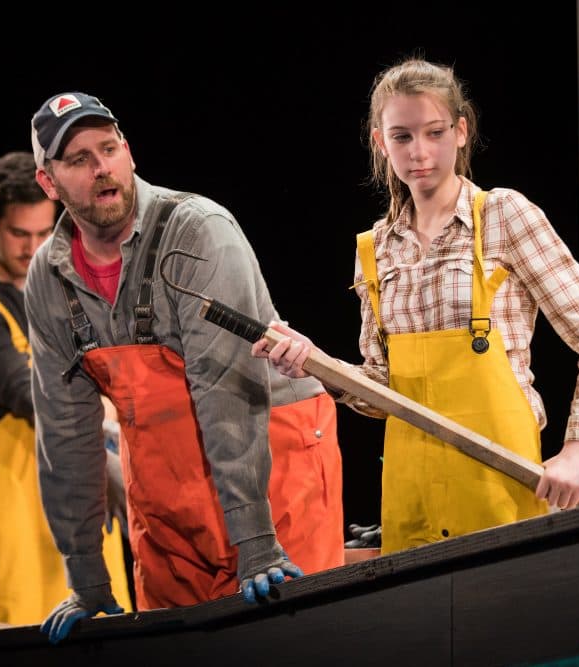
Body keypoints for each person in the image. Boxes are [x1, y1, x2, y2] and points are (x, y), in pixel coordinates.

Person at [254, 58, 579, 555]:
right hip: (411, 491)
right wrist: (319, 366)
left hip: (499, 485)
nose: (420, 152)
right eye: (402, 136)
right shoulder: (375, 249)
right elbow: (383, 389)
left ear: (460, 131)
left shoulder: (503, 217)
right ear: (379, 142)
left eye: (434, 133)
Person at [25, 92, 344, 643]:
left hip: (272, 476)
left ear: (129, 153)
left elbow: (226, 392)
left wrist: (256, 544)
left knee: (290, 647)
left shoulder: (197, 232)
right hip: (168, 499)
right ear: (48, 184)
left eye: (108, 149)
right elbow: (65, 430)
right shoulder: (49, 278)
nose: (101, 168)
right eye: (78, 159)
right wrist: (87, 575)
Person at [0, 151, 132, 624]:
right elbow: (33, 394)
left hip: (84, 489)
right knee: (25, 638)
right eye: (19, 235)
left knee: (105, 636)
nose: (33, 248)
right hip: (18, 511)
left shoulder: (56, 289)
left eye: (44, 234)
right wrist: (116, 408)